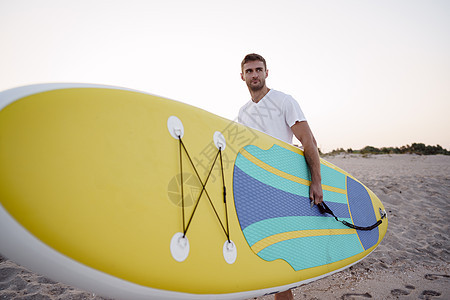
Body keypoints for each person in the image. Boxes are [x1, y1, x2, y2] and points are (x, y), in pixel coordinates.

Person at [238, 53, 323, 300]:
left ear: (266, 73)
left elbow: (308, 141)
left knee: (278, 257)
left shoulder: (284, 101)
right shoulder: (243, 112)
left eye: (258, 70)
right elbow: (246, 152)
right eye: (250, 71)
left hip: (282, 186)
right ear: (242, 76)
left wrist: (315, 182)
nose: (254, 75)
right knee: (255, 249)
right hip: (255, 187)